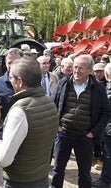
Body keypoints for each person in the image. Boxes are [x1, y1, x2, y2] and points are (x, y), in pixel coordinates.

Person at [0, 56, 58, 188]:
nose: (9, 80)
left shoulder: (20, 111)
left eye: (11, 77)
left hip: (19, 181)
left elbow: (3, 159)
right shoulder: (50, 103)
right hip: (41, 178)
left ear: (20, 81)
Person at [51, 54, 109, 188]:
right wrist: (57, 127)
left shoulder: (98, 88)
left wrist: (93, 133)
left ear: (90, 70)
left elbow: (105, 113)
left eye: (80, 68)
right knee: (58, 170)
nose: (76, 71)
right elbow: (52, 106)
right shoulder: (63, 83)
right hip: (63, 135)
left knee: (84, 173)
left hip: (85, 138)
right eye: (75, 67)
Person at [0, 48, 23, 139]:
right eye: (10, 63)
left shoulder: (29, 82)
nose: (12, 66)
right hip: (4, 134)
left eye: (16, 62)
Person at [92, 63, 111, 187]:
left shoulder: (109, 87)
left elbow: (106, 106)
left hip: (109, 128)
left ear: (107, 74)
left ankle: (105, 180)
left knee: (108, 154)